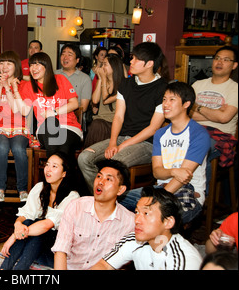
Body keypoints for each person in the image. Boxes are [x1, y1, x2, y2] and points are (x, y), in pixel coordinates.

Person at [78, 42, 168, 194]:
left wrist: (122, 146)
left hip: (147, 144)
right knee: (84, 158)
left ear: (149, 64)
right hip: (122, 137)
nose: (131, 62)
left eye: (135, 59)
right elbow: (118, 117)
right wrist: (113, 142)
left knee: (115, 164)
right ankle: (101, 197)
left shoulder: (163, 88)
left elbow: (153, 128)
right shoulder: (126, 84)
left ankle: (113, 203)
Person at [120, 81, 210, 224]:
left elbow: (183, 177)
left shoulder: (199, 134)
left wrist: (156, 202)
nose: (165, 104)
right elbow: (157, 172)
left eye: (172, 100)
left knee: (157, 218)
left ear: (186, 104)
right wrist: (174, 171)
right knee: (117, 200)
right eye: (164, 99)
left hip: (189, 193)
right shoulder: (161, 134)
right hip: (160, 188)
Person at [0, 152, 80, 270]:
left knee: (42, 231)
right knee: (27, 223)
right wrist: (17, 224)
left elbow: (47, 225)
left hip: (57, 255)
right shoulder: (40, 188)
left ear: (64, 173)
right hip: (36, 251)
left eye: (54, 166)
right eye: (47, 165)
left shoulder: (72, 197)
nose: (48, 169)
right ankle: (3, 269)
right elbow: (26, 214)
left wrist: (14, 236)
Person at [91, 186, 203, 270]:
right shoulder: (134, 240)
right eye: (136, 212)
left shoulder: (182, 262)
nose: (137, 220)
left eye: (146, 213)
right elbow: (103, 265)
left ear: (168, 222)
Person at [52, 159, 135, 270]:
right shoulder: (76, 206)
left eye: (108, 179)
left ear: (120, 190)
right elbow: (61, 250)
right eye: (99, 176)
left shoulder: (130, 222)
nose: (100, 182)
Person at [13, 52, 83, 158]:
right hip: (44, 129)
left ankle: (52, 168)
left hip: (69, 127)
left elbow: (74, 104)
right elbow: (24, 111)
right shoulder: (29, 86)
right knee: (51, 122)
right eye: (31, 65)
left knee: (63, 144)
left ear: (46, 66)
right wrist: (15, 91)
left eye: (37, 64)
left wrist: (54, 112)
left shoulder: (60, 79)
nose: (33, 68)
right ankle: (59, 170)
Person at [0, 51, 31, 203]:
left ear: (16, 66)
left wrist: (9, 88)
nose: (4, 67)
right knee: (2, 147)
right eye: (2, 63)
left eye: (9, 63)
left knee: (19, 148)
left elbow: (17, 110)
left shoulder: (24, 85)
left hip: (19, 127)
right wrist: (1, 87)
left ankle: (22, 189)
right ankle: (0, 189)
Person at [191, 46, 238, 185]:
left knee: (200, 147)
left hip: (219, 136)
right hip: (193, 131)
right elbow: (185, 113)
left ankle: (199, 194)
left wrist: (197, 107)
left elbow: (224, 119)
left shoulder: (234, 88)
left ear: (234, 65)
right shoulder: (197, 84)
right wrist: (216, 112)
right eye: (217, 58)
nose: (219, 62)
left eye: (226, 60)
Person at [84, 53, 124, 149]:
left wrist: (103, 79)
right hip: (100, 121)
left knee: (97, 125)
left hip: (113, 123)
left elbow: (105, 100)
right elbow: (95, 100)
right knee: (96, 124)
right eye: (102, 64)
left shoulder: (123, 84)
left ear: (114, 67)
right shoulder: (102, 81)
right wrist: (101, 79)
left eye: (105, 64)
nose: (102, 67)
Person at [55, 43, 92, 113]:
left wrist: (65, 110)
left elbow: (83, 107)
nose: (65, 57)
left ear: (77, 60)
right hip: (52, 115)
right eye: (63, 54)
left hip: (74, 116)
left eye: (69, 55)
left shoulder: (85, 79)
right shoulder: (53, 75)